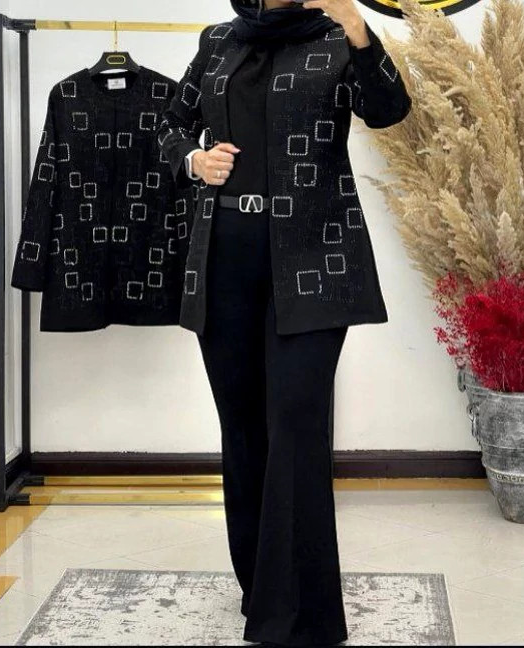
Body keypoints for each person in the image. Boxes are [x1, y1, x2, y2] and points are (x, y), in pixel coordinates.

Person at [158, 0, 411, 645]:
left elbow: (389, 109)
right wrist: (193, 161)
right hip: (225, 259)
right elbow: (168, 125)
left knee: (296, 425)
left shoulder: (337, 37)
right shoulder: (218, 40)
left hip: (314, 259)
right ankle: (260, 589)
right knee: (244, 428)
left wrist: (357, 27)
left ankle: (300, 616)